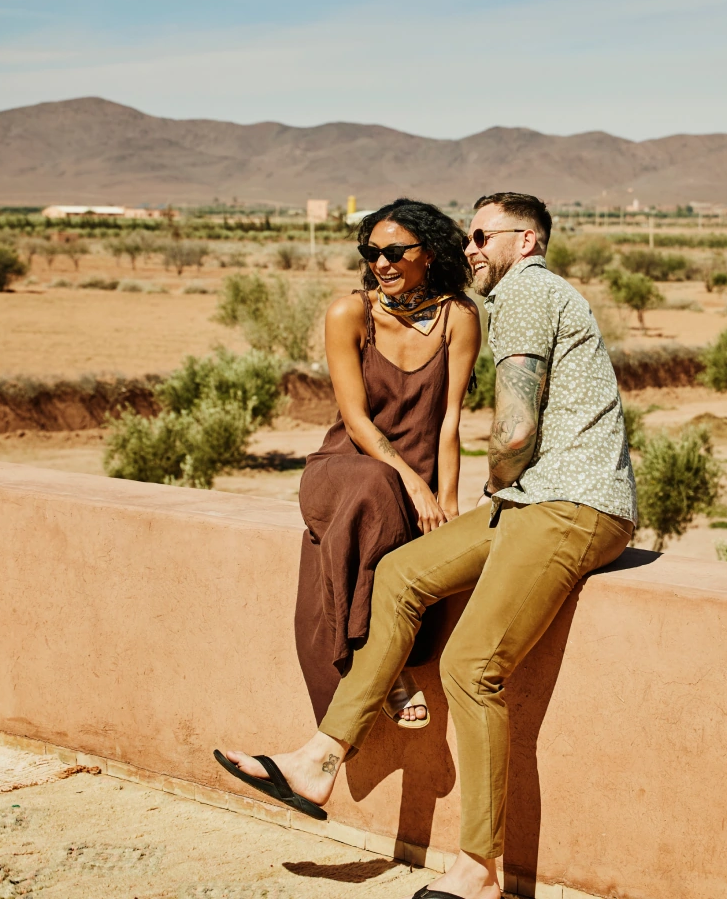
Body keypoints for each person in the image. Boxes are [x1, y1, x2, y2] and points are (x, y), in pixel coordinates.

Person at [217, 192, 637, 899]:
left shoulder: (529, 292)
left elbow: (509, 432)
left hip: (573, 506)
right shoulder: (503, 300)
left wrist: (489, 487)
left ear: (527, 241)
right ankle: (321, 758)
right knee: (404, 572)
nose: (473, 248)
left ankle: (480, 868)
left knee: (473, 668)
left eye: (483, 234)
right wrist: (486, 500)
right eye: (467, 236)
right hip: (532, 503)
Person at [293, 198, 481, 732]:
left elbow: (448, 422)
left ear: (430, 253)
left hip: (408, 484)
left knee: (396, 501)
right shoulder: (349, 314)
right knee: (376, 484)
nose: (382, 263)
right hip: (343, 473)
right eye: (372, 252)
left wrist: (446, 503)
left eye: (396, 251)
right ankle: (388, 667)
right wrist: (415, 487)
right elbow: (356, 423)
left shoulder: (457, 317)